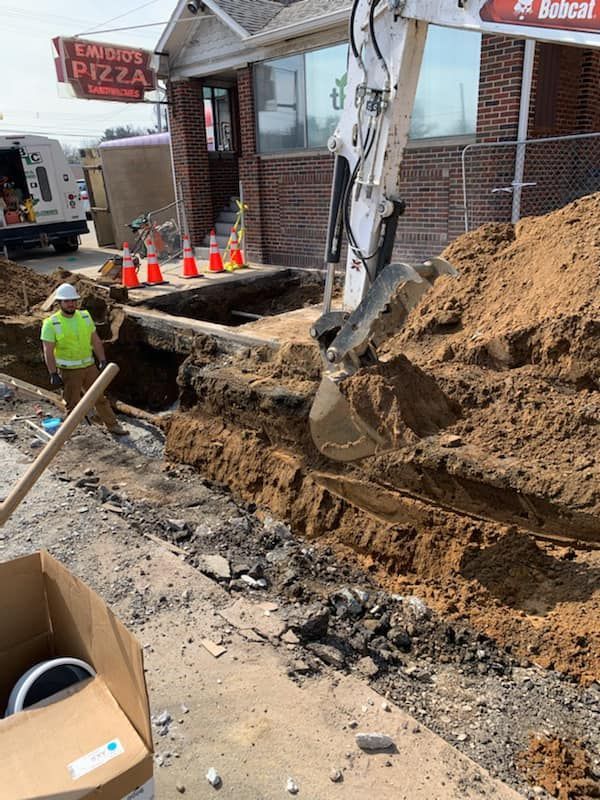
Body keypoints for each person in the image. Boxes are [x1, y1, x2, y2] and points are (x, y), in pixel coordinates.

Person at [41, 283, 127, 436]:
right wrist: (53, 373)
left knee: (99, 398)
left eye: (73, 300)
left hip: (89, 367)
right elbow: (48, 350)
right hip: (69, 371)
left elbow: (95, 340)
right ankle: (74, 432)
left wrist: (102, 360)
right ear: (59, 303)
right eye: (67, 301)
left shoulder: (85, 316)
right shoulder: (51, 323)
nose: (71, 304)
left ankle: (113, 425)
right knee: (73, 403)